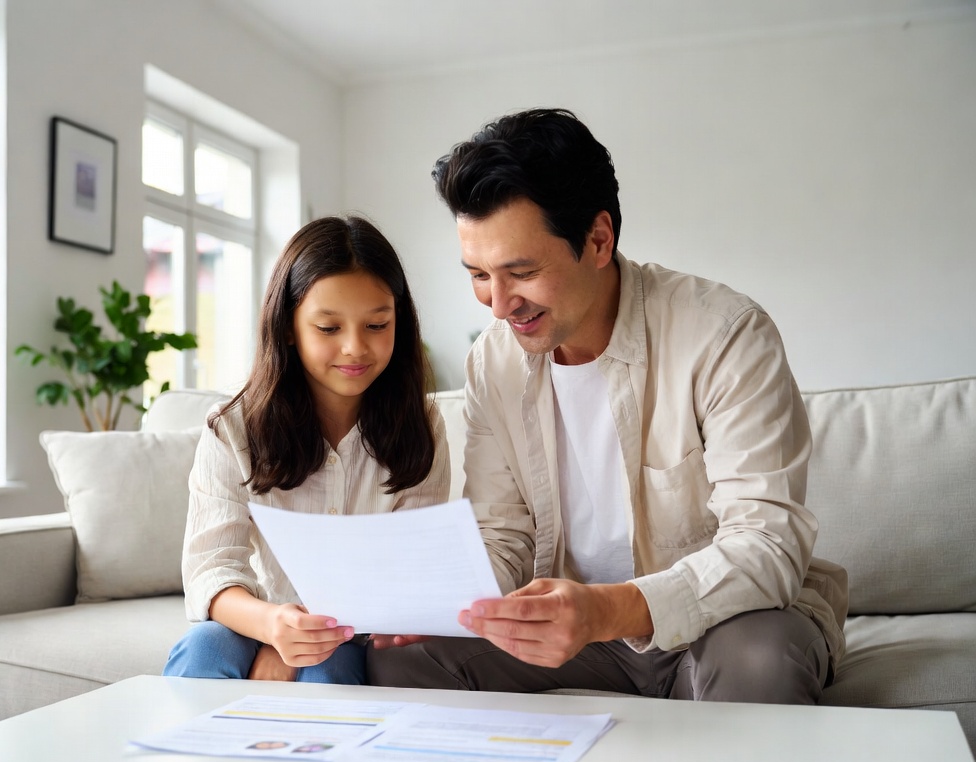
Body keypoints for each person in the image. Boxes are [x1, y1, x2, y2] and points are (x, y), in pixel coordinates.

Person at [367, 108, 848, 704]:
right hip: (577, 637)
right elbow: (504, 535)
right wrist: (446, 600)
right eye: (479, 275)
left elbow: (766, 544)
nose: (498, 304)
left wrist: (606, 611)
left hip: (719, 623)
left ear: (598, 239)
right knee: (397, 660)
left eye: (521, 272)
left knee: (759, 662)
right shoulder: (492, 362)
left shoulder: (724, 334)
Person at [163, 215, 450, 684]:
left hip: (355, 633)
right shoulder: (232, 428)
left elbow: (409, 573)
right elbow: (211, 571)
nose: (355, 347)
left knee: (328, 666)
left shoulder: (422, 426)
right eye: (329, 328)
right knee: (205, 646)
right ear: (289, 327)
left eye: (377, 324)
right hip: (260, 619)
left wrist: (297, 650)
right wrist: (273, 630)